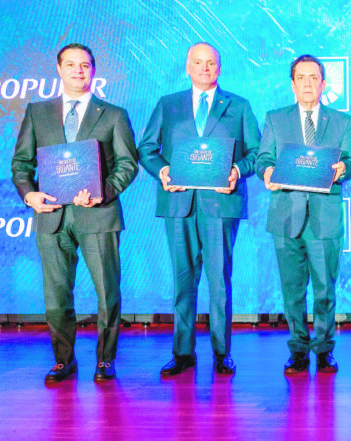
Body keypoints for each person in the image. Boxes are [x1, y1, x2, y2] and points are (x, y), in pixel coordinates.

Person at [11, 43, 138, 382]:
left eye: (85, 65)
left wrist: (102, 193)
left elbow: (128, 164)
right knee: (55, 295)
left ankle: (105, 360)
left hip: (99, 216)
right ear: (59, 69)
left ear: (93, 70)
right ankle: (63, 360)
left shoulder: (113, 115)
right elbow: (21, 163)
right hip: (51, 218)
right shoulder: (37, 112)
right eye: (71, 65)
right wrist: (29, 195)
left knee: (107, 292)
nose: (78, 71)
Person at [138, 42, 260, 377]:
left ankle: (222, 352)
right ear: (187, 67)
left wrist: (236, 171)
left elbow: (258, 153)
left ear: (219, 68)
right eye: (198, 62)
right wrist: (162, 170)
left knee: (219, 281)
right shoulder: (168, 104)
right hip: (179, 204)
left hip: (221, 204)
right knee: (182, 280)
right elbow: (147, 148)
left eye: (211, 63)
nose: (205, 68)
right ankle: (183, 352)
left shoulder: (238, 105)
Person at [256, 55, 351, 375]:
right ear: (293, 84)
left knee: (325, 289)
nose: (308, 84)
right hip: (286, 215)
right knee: (291, 289)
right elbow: (262, 159)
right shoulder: (275, 119)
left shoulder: (341, 121)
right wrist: (267, 170)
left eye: (314, 77)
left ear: (323, 83)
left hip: (324, 216)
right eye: (301, 78)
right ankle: (298, 348)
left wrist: (344, 169)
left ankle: (325, 349)